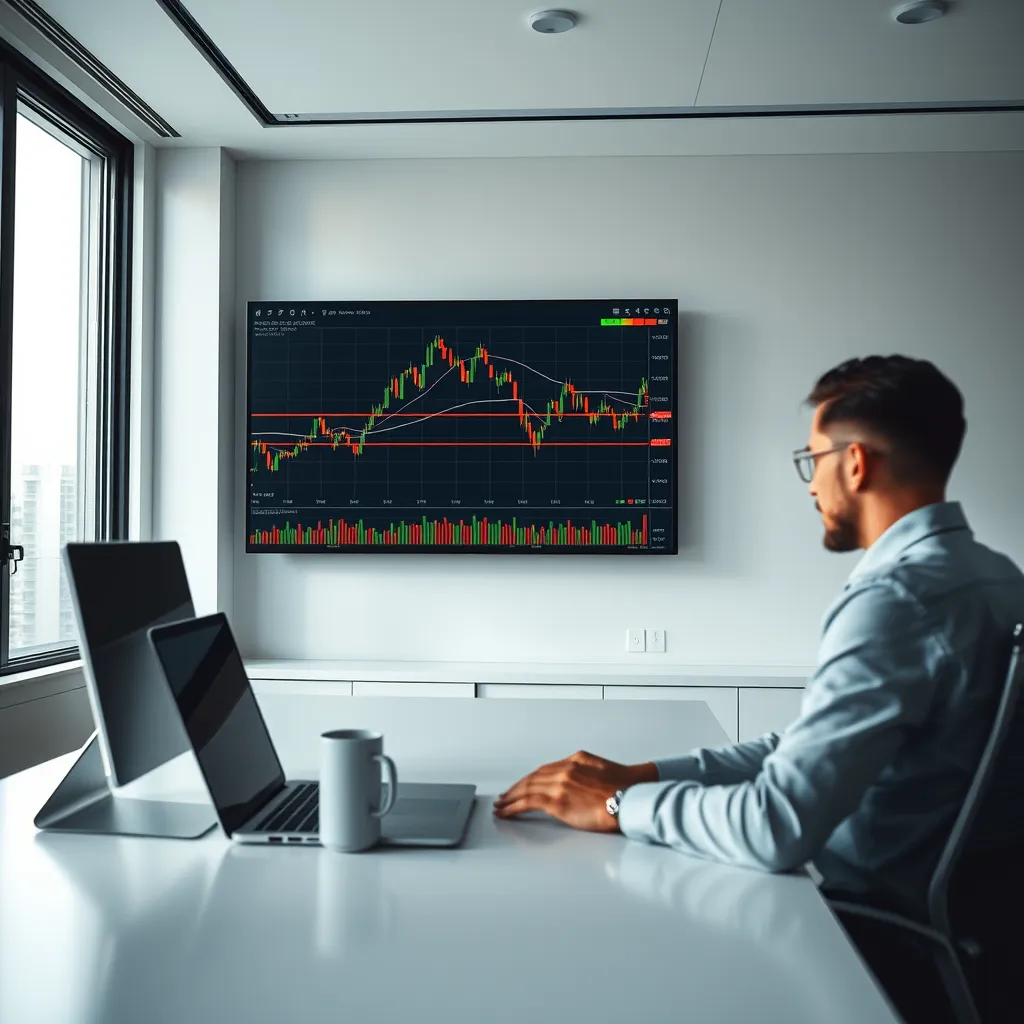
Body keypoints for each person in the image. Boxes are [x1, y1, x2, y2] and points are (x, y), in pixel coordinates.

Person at [493, 355, 1024, 1022]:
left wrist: (619, 804)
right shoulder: (993, 577)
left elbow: (776, 827)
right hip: (960, 935)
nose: (811, 486)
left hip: (862, 941)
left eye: (812, 460)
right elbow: (804, 745)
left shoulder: (895, 601)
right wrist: (646, 773)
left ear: (855, 464)